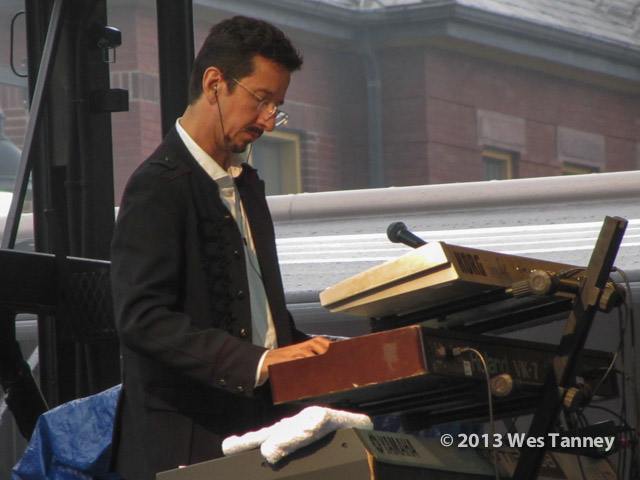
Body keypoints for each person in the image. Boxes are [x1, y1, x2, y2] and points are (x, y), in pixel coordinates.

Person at [109, 16, 331, 480]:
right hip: (186, 445)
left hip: (255, 431)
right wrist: (260, 361)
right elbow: (142, 318)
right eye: (262, 100)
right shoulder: (157, 185)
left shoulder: (245, 185)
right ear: (215, 84)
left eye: (277, 106)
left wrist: (315, 352)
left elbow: (256, 318)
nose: (269, 120)